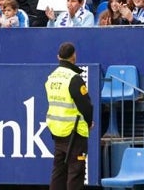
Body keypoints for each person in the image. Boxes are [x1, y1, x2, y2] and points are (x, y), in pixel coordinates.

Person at [45, 41, 93, 190]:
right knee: (76, 173)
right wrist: (89, 122)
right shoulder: (74, 78)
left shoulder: (51, 77)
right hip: (74, 132)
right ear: (74, 56)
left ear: (58, 57)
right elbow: (85, 105)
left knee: (58, 172)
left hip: (57, 131)